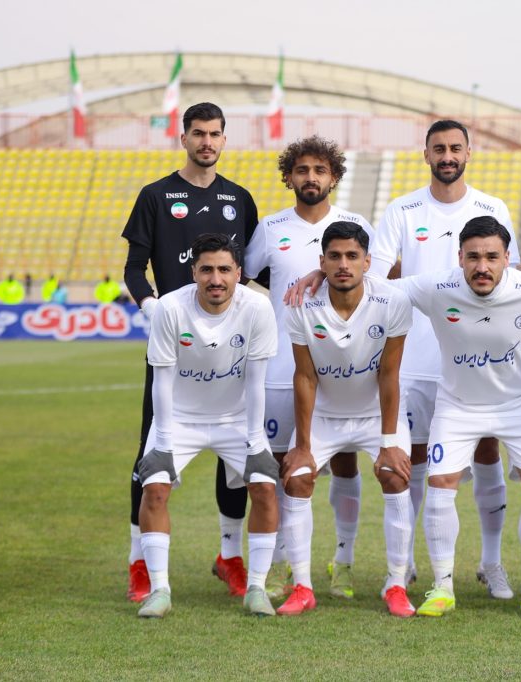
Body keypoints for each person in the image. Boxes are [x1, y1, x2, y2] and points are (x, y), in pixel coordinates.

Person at [384, 216, 521, 618]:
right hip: (458, 405)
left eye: (491, 257)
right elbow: (374, 289)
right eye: (473, 257)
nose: (482, 267)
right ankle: (442, 586)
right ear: (459, 258)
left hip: (520, 403)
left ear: (507, 258)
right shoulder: (437, 286)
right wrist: (321, 275)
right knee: (440, 481)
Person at [367, 119, 521, 599]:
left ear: (469, 153)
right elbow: (374, 278)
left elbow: (509, 279)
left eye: (456, 148)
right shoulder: (402, 209)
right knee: (414, 458)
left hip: (476, 361)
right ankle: (408, 561)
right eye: (439, 148)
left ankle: (491, 562)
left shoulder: (492, 208)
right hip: (414, 359)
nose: (448, 156)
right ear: (427, 154)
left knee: (487, 450)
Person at [122, 102, 260, 603]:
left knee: (236, 452)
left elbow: (256, 269)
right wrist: (152, 308)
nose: (206, 142)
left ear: (224, 139)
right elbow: (134, 268)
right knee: (150, 450)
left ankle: (230, 557)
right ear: (183, 138)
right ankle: (139, 562)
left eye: (214, 134)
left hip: (228, 348)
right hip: (172, 344)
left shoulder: (239, 199)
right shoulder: (156, 196)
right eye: (198, 133)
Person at [244, 135, 374, 601]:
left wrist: (321, 272)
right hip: (284, 366)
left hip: (345, 367)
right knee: (288, 465)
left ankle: (344, 561)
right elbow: (244, 277)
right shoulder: (270, 227)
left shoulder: (355, 225)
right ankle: (282, 562)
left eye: (320, 170)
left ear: (334, 176)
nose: (311, 177)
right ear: (289, 177)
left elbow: (374, 280)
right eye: (302, 170)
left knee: (344, 460)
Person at [135, 233, 278, 618]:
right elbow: (161, 380)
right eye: (207, 270)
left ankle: (257, 589)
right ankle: (159, 591)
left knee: (265, 487)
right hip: (179, 418)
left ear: (239, 273)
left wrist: (255, 443)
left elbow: (256, 380)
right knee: (155, 490)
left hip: (236, 419)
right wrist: (163, 443)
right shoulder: (169, 308)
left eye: (224, 270)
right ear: (194, 272)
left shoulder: (258, 308)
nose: (216, 279)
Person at [277, 222, 414, 617]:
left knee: (395, 476)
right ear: (321, 262)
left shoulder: (392, 301)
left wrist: (389, 443)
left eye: (352, 256)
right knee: (297, 478)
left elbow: (389, 374)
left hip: (375, 415)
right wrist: (303, 447)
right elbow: (305, 377)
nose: (343, 264)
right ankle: (302, 587)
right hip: (325, 415)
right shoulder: (301, 305)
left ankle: (396, 584)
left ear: (367, 262)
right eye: (334, 256)